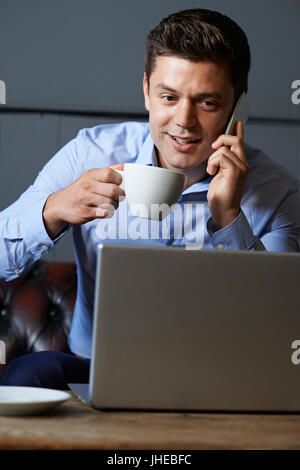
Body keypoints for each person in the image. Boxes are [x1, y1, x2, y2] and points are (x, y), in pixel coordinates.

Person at [1, 8, 300, 389]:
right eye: (169, 97)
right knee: (30, 372)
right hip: (95, 370)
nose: (184, 121)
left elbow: (278, 323)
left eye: (207, 103)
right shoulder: (90, 154)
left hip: (218, 378)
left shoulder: (276, 190)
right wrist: (53, 211)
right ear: (146, 91)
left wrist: (229, 216)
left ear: (238, 106)